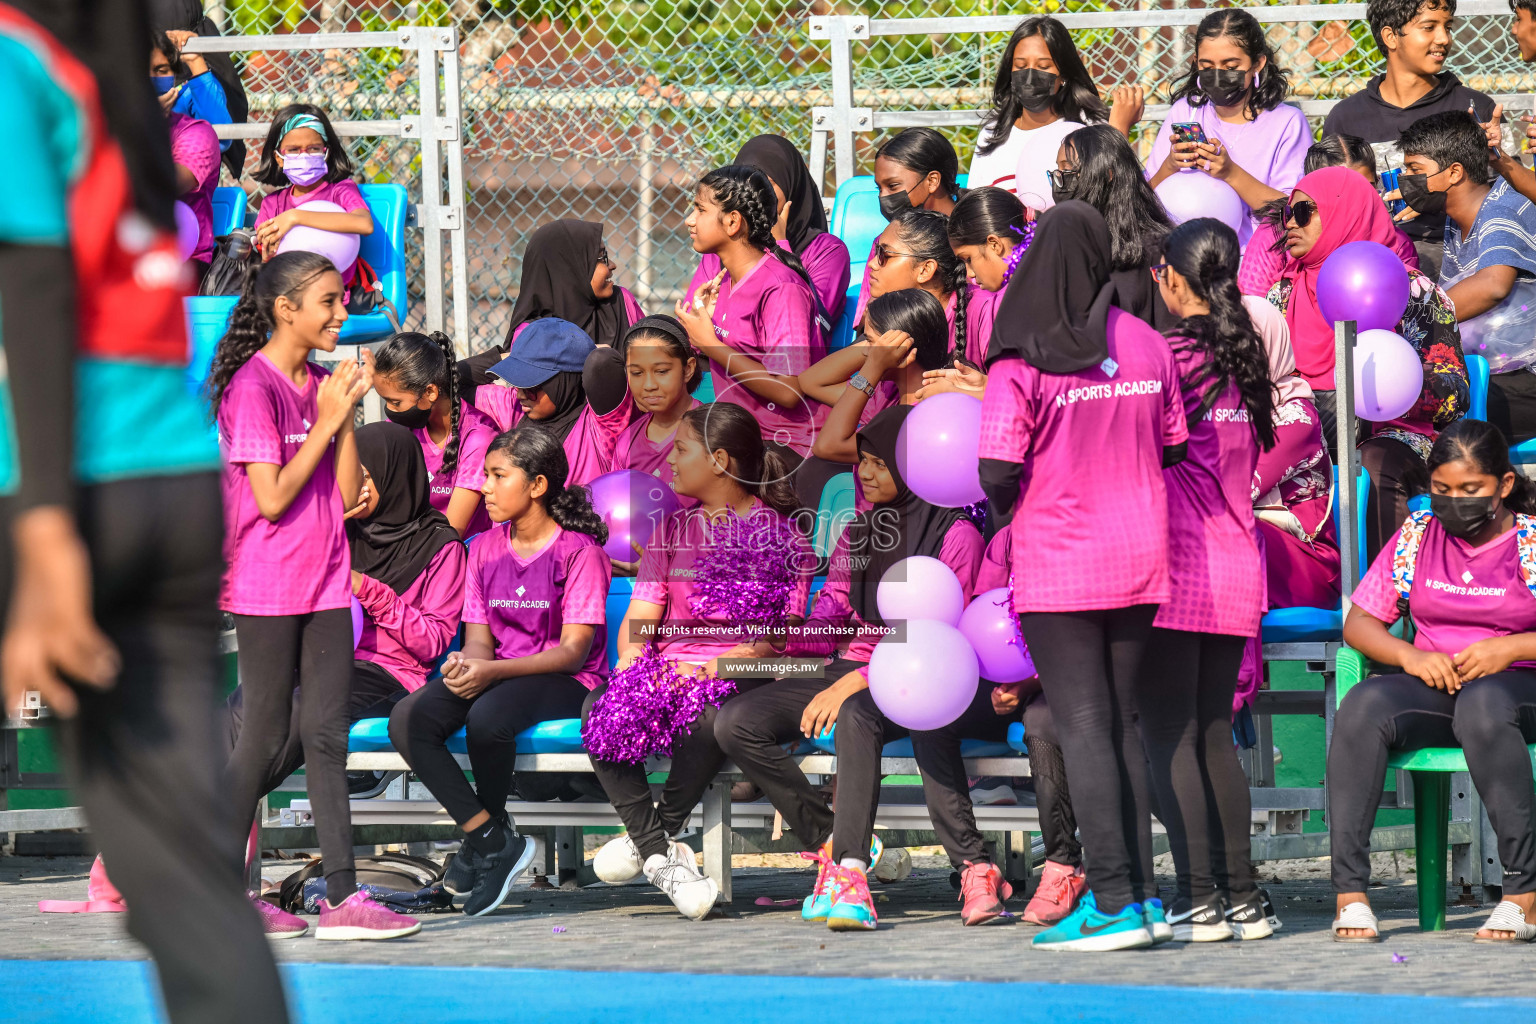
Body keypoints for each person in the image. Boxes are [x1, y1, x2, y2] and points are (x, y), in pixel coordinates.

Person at [0, 0, 284, 1017]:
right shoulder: (100, 83)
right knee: (183, 883)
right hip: (166, 480)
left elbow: (31, 287)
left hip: (66, 483)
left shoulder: (9, 64)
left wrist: (42, 526)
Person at [979, 201, 1188, 951]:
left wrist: (1024, 503)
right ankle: (1146, 896)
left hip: (1061, 562)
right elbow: (1172, 445)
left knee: (1084, 726)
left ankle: (1112, 902)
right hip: (1139, 556)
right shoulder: (1145, 341)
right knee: (1121, 724)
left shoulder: (1019, 355)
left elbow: (997, 466)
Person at [208, 250, 420, 941]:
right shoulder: (253, 388)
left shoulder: (325, 385)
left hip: (328, 579)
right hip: (269, 587)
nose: (340, 314)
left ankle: (343, 899)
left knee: (327, 736)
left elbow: (352, 492)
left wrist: (347, 415)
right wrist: (327, 422)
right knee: (265, 733)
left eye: (341, 301)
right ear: (285, 309)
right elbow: (269, 498)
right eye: (327, 301)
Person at [717, 403, 983, 930]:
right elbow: (834, 613)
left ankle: (851, 874)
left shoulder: (956, 537)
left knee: (855, 716)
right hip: (845, 664)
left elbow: (940, 637)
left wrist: (852, 683)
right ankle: (826, 839)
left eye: (878, 463)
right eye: (861, 461)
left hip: (917, 677)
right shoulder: (859, 530)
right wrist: (778, 647)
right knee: (735, 720)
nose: (863, 472)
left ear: (914, 467)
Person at [587, 403, 810, 920]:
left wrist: (718, 664)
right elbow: (642, 621)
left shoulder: (785, 538)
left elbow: (782, 639)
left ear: (720, 461)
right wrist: (632, 660)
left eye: (682, 450)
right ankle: (661, 854)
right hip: (670, 672)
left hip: (744, 674)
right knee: (600, 707)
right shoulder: (669, 533)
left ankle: (654, 835)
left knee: (709, 713)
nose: (669, 461)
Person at [389, 425, 611, 917]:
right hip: (501, 673)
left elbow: (574, 651)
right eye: (484, 475)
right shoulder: (484, 548)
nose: (484, 486)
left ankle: (481, 849)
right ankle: (489, 839)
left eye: (497, 475)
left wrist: (490, 673)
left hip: (564, 680)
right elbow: (478, 640)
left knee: (488, 717)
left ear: (537, 485)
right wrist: (467, 663)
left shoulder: (579, 552)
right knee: (410, 718)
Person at [1330, 419, 1536, 943]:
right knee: (1362, 705)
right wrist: (1409, 656)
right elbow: (1359, 622)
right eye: (1442, 490)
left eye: (1471, 491)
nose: (1454, 502)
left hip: (1516, 689)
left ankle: (1523, 894)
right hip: (1439, 686)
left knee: (1485, 704)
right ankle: (1350, 893)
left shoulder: (1530, 545)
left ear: (1504, 485)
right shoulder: (1418, 537)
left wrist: (1510, 647)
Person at [225, 420, 467, 857]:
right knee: (245, 703)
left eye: (364, 476)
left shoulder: (440, 547)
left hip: (390, 672)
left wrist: (367, 588)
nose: (353, 485)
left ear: (394, 475)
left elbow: (431, 642)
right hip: (323, 652)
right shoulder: (342, 530)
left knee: (300, 710)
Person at [1140, 217, 1276, 942]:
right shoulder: (1240, 353)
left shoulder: (1168, 356)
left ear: (1167, 277)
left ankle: (1196, 898)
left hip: (1179, 567)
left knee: (1171, 734)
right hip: (1235, 564)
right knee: (1214, 734)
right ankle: (1244, 899)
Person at [1268, 166, 1469, 556]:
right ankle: (1308, 594)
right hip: (1307, 437)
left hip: (1395, 433)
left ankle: (1383, 604)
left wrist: (1393, 387)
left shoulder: (1409, 288)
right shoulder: (1281, 294)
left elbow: (1455, 393)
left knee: (1374, 464)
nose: (1290, 223)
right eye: (1285, 214)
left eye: (1304, 211)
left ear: (1346, 211)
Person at [1319, 0, 1496, 278]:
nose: (1444, 39)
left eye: (1448, 27)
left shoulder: (1475, 109)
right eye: (1429, 27)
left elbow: (1505, 208)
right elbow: (1324, 204)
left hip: (1456, 264)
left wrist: (1441, 196)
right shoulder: (1346, 117)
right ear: (1390, 36)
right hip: (1366, 264)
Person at [1401, 111, 1536, 445]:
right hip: (1497, 371)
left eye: (1415, 171)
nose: (1405, 179)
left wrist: (1413, 317)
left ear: (1454, 173)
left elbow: (1493, 285)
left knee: (1425, 409)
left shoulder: (1499, 211)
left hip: (1525, 381)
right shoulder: (1457, 218)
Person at [972, 529, 1086, 926]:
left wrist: (1030, 682)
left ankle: (1111, 874)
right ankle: (1057, 867)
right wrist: (1012, 683)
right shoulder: (1008, 539)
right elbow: (983, 612)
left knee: (1069, 722)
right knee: (1038, 720)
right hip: (1044, 680)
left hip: (1106, 670)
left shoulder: (1100, 523)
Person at [676, 164, 824, 459]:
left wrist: (712, 345)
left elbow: (788, 390)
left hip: (786, 446)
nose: (689, 221)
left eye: (700, 210)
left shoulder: (782, 289)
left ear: (732, 222)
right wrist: (704, 323)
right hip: (745, 438)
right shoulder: (727, 280)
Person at [1147, 9, 1310, 244]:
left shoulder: (1287, 123)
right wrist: (1169, 167)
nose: (1218, 75)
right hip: (1183, 256)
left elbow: (1292, 212)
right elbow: (1144, 199)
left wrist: (1230, 174)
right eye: (1207, 66)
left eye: (1231, 66)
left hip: (1255, 262)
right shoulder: (1185, 111)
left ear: (1257, 64)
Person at [691, 134, 851, 339]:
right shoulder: (722, 247)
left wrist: (780, 246)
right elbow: (692, 320)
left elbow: (814, 326)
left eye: (769, 184)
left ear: (791, 187)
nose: (757, 195)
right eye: (748, 188)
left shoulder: (827, 251)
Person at [459, 219, 646, 391]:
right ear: (569, 270)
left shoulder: (622, 302)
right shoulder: (531, 333)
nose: (612, 265)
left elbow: (653, 359)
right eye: (600, 257)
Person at [1239, 134, 1418, 298]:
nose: (1355, 202)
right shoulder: (1280, 232)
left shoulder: (1396, 245)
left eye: (1365, 189)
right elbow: (1254, 312)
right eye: (1339, 192)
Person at [968, 16, 1117, 208]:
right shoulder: (993, 133)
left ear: (1063, 74)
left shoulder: (1089, 128)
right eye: (1020, 66)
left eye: (1043, 66)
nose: (1029, 77)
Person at [370, 330, 499, 536]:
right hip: (410, 540)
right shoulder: (404, 426)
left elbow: (451, 531)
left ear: (430, 392)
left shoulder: (478, 437)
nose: (390, 412)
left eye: (396, 402)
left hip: (454, 550)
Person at [802, 289, 952, 463]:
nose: (864, 352)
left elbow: (827, 446)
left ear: (902, 351)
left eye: (870, 342)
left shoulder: (914, 419)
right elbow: (810, 381)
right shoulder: (889, 394)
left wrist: (873, 367)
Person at [479, 318, 632, 486]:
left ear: (564, 381)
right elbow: (455, 378)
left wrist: (583, 353)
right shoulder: (515, 408)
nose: (520, 394)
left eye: (530, 384)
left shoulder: (597, 427)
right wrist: (516, 357)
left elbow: (602, 361)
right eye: (516, 384)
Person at [1053, 124, 1177, 330]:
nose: (1059, 180)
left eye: (1068, 169)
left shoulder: (1159, 249)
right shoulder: (1059, 242)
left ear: (1107, 175)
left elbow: (1171, 332)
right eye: (1058, 169)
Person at [252, 103, 375, 291]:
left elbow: (364, 224)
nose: (304, 156)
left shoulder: (341, 191)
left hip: (333, 295)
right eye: (293, 150)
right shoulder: (272, 204)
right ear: (278, 157)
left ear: (326, 152)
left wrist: (295, 217)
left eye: (314, 148)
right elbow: (265, 257)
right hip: (286, 292)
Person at [939, 185, 1032, 377]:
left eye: (969, 259)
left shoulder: (1008, 302)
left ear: (995, 244)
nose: (969, 273)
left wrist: (983, 389)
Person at [149, 0, 249, 174]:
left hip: (183, 196)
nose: (153, 76)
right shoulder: (122, 91)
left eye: (163, 69)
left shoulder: (193, 89)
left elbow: (220, 138)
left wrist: (195, 60)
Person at [610, 314, 705, 490]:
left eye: (661, 371)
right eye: (637, 373)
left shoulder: (713, 431)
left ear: (688, 369)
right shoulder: (626, 443)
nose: (649, 385)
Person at [152, 32, 218, 273]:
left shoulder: (196, 133)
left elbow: (161, 184)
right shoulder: (104, 123)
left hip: (186, 261)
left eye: (162, 70)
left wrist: (147, 123)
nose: (152, 77)